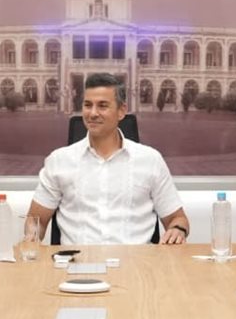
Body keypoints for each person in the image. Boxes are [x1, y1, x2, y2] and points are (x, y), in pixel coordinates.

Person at [25, 73, 190, 245]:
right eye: (88, 105)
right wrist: (32, 237)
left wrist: (177, 230)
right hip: (77, 265)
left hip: (137, 266)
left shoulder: (150, 160)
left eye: (102, 106)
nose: (93, 113)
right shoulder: (59, 161)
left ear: (121, 111)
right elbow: (36, 220)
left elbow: (178, 219)